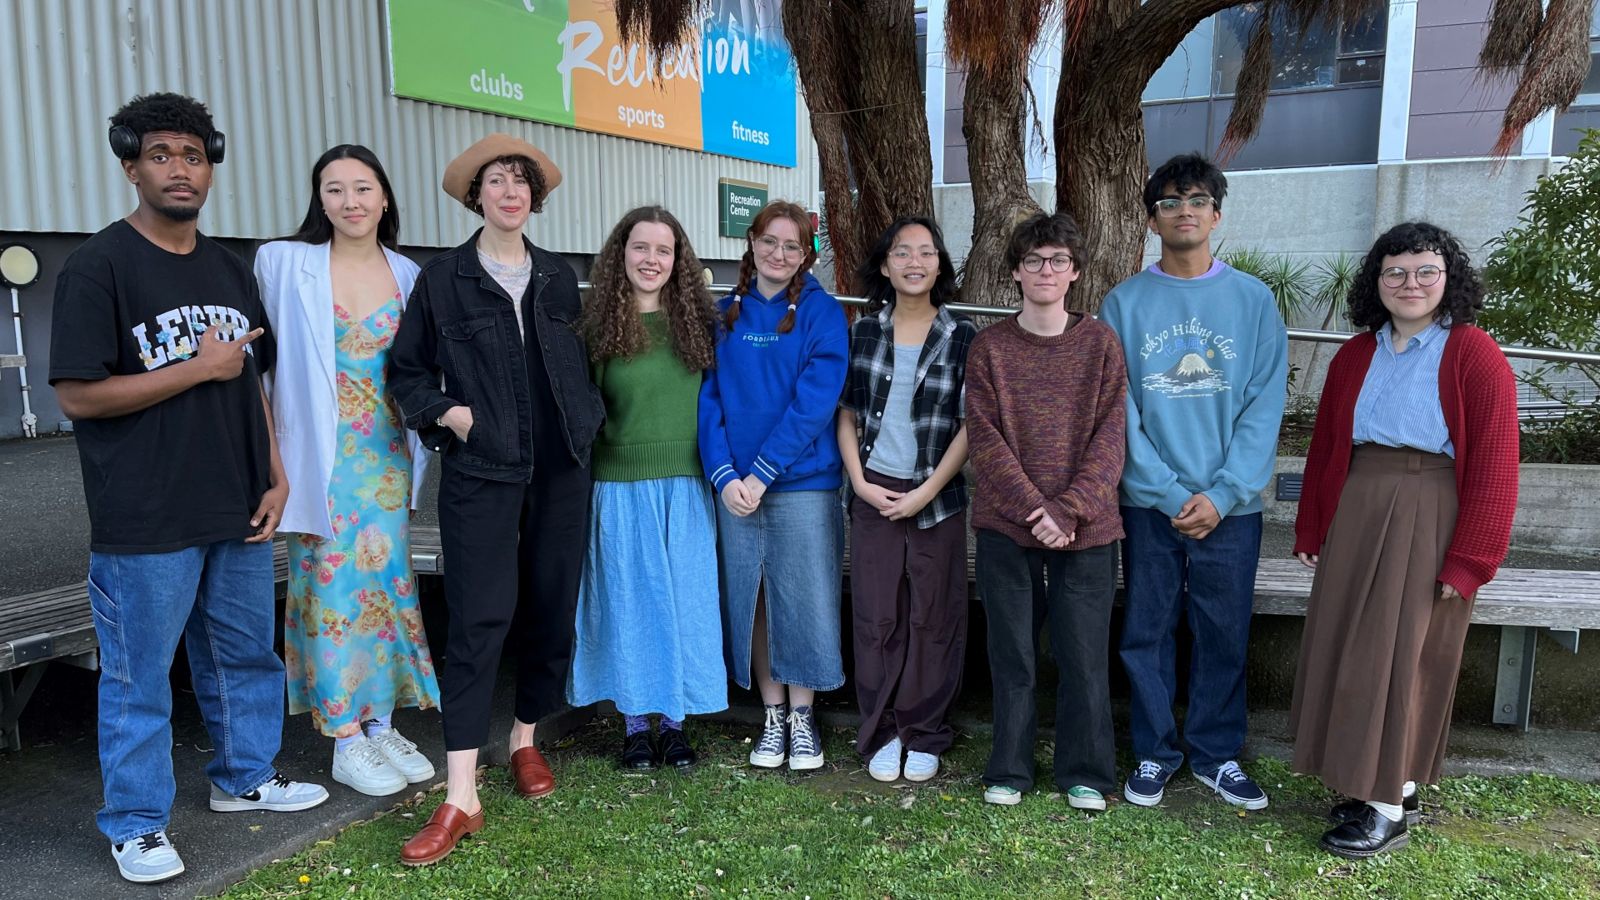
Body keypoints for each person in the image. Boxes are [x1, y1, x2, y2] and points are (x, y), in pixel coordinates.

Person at [48, 92, 327, 886]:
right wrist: (191, 369)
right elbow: (76, 394)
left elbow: (252, 389)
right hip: (145, 514)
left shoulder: (226, 267)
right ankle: (136, 824)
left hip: (235, 501)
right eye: (163, 154)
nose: (181, 169)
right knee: (140, 676)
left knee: (245, 655)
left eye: (195, 155)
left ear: (212, 168)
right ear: (131, 164)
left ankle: (246, 778)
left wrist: (275, 473)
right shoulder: (97, 266)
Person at [390, 134, 604, 865]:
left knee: (550, 606)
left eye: (522, 182)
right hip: (481, 471)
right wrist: (450, 415)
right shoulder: (442, 279)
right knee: (478, 620)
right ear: (475, 196)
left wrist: (590, 422)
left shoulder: (559, 277)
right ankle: (460, 796)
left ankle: (524, 740)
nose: (510, 191)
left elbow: (587, 364)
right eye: (496, 181)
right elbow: (407, 373)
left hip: (561, 471)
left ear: (533, 200)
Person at [1290, 222, 1518, 859]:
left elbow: (1499, 462)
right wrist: (1312, 525)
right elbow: (1329, 448)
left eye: (1425, 271)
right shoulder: (1355, 355)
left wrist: (1472, 558)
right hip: (1358, 504)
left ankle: (1388, 806)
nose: (1410, 283)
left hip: (1428, 507)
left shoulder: (1474, 354)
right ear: (1377, 282)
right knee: (1349, 646)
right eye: (1395, 272)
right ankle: (1388, 784)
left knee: (1402, 653)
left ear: (1449, 280)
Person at [1099, 153, 1288, 811]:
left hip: (1229, 508)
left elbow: (1265, 405)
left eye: (1198, 199)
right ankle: (1153, 752)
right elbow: (1116, 409)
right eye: (1172, 201)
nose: (1186, 210)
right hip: (1151, 505)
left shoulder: (1252, 301)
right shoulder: (1123, 303)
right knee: (1146, 630)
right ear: (1153, 218)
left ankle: (1216, 754)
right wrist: (1170, 492)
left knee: (1222, 631)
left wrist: (1226, 492)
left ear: (1217, 213)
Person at [254, 144, 440, 797]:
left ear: (385, 197)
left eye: (363, 188)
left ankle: (382, 721)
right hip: (320, 462)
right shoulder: (284, 264)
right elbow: (265, 370)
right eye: (336, 190)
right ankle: (345, 738)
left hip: (387, 457)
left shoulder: (410, 274)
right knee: (331, 596)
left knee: (388, 591)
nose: (351, 201)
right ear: (320, 200)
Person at [966, 212, 1128, 810]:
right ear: (1015, 271)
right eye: (1033, 260)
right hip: (1008, 525)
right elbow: (983, 438)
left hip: (1087, 528)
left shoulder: (1101, 344)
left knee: (1083, 653)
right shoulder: (989, 348)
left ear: (1075, 272)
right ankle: (1009, 766)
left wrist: (1069, 510)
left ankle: (1086, 769)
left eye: (1058, 260)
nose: (1046, 270)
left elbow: (1112, 436)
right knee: (1012, 651)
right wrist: (1038, 509)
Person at [568, 206, 727, 770]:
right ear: (621, 254)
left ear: (679, 260)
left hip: (684, 486)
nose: (651, 260)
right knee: (631, 606)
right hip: (620, 486)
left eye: (664, 250)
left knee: (684, 603)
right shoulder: (596, 329)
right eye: (640, 248)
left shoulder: (701, 325)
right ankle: (636, 726)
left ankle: (676, 724)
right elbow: (582, 412)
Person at [698, 200, 849, 771]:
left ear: (806, 254)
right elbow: (707, 399)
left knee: (803, 597)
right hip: (735, 487)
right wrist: (726, 475)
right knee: (753, 597)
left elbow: (815, 402)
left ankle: (804, 717)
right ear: (752, 243)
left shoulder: (822, 313)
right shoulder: (723, 316)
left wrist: (762, 472)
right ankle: (771, 713)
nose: (779, 254)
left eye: (793, 246)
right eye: (770, 242)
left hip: (802, 482)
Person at [837, 216, 975, 784]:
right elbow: (846, 413)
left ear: (940, 265)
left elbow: (971, 425)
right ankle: (883, 729)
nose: (913, 262)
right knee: (876, 615)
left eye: (925, 252)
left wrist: (926, 491)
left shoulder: (963, 336)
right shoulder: (864, 330)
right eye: (901, 252)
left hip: (936, 499)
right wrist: (861, 482)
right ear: (886, 264)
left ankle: (925, 731)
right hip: (872, 490)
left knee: (934, 616)